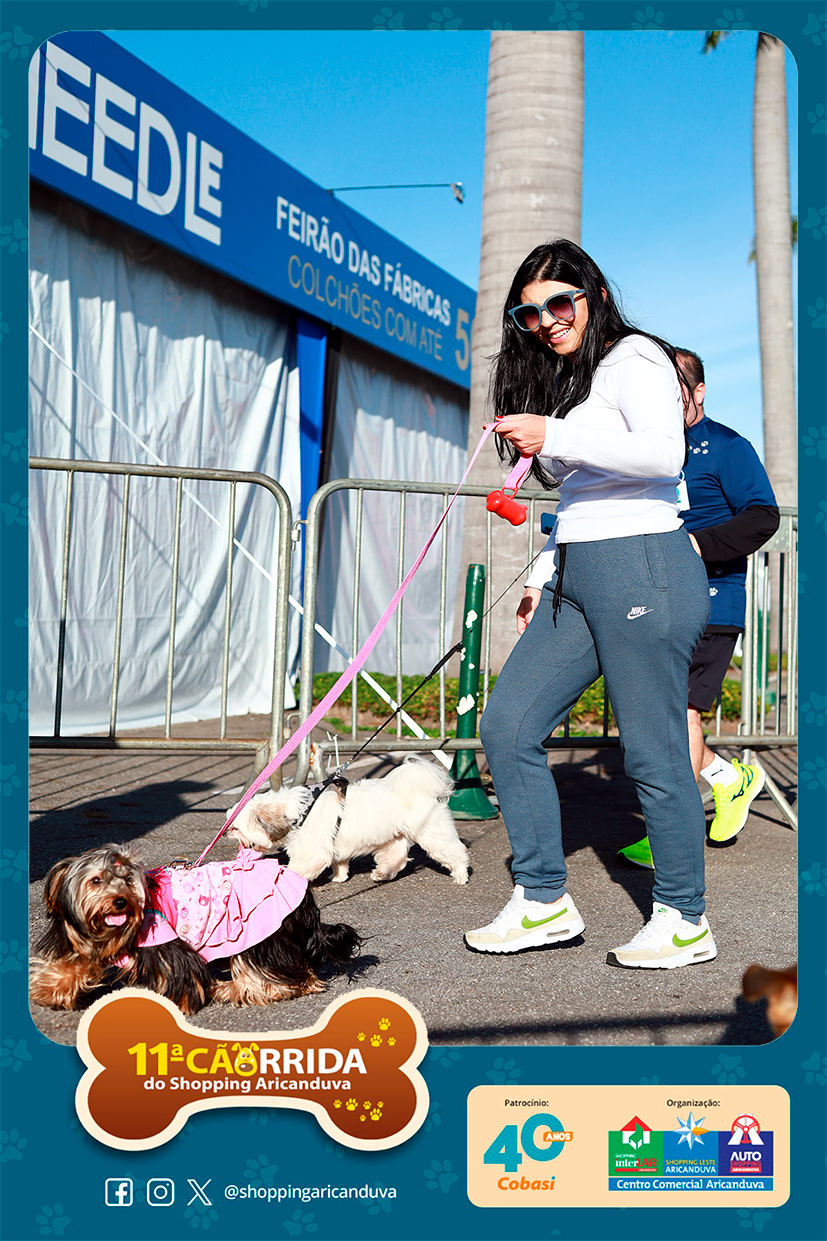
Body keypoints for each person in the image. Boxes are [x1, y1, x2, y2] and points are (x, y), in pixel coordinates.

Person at [465, 239, 714, 969]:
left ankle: (684, 918)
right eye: (529, 312)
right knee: (507, 725)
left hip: (642, 564)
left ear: (594, 295)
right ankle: (542, 899)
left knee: (653, 750)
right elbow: (579, 496)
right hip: (577, 571)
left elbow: (663, 454)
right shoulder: (574, 379)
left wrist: (555, 433)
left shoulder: (634, 357)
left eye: (558, 302)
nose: (545, 320)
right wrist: (544, 572)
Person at [618, 349, 779, 869]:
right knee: (658, 716)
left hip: (713, 600)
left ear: (699, 390)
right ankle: (730, 778)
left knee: (682, 712)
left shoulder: (728, 446)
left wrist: (696, 546)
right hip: (656, 599)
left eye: (676, 390)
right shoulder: (649, 446)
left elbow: (764, 516)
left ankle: (672, 836)